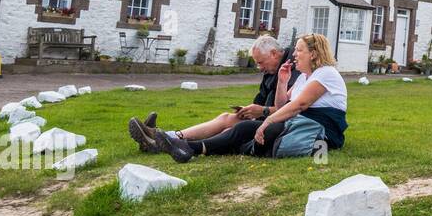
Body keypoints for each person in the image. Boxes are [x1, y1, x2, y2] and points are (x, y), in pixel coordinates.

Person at [153, 33, 348, 162]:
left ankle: (183, 145)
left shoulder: (326, 73)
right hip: (296, 127)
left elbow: (299, 105)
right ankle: (187, 147)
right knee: (244, 132)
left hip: (320, 135)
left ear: (313, 54)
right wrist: (282, 81)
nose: (295, 54)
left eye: (299, 50)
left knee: (249, 132)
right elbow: (282, 106)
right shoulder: (304, 78)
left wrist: (266, 120)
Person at [128, 34, 293, 153]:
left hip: (275, 122)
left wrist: (262, 110)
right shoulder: (272, 71)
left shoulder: (291, 70)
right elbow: (262, 101)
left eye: (261, 62)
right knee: (226, 119)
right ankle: (162, 138)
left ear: (273, 53)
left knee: (226, 128)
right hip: (264, 118)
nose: (260, 68)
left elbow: (289, 108)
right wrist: (250, 110)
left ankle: (163, 140)